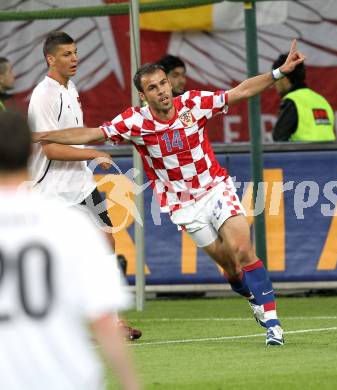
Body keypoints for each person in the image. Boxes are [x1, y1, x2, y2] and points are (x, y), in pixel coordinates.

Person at [34, 40, 305, 346]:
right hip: (183, 206)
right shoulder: (135, 122)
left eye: (163, 83)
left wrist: (279, 72)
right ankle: (252, 299)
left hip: (215, 188)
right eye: (153, 87)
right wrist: (42, 134)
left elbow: (240, 91)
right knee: (230, 266)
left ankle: (273, 324)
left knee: (243, 249)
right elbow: (92, 133)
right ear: (143, 95)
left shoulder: (193, 104)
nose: (162, 90)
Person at [0, 110, 140, 390]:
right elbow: (102, 319)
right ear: (31, 151)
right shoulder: (72, 225)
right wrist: (130, 384)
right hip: (69, 377)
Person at [28, 31, 141, 340]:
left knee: (107, 244)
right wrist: (94, 153)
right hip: (52, 190)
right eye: (67, 54)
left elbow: (73, 135)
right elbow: (49, 148)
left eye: (75, 52)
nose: (74, 58)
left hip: (80, 185)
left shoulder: (71, 87)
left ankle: (112, 323)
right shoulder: (44, 95)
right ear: (51, 59)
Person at [272, 53, 335, 141]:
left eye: (275, 79)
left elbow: (278, 139)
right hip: (332, 154)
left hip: (303, 154)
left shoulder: (292, 100)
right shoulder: (322, 100)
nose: (274, 84)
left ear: (284, 79)